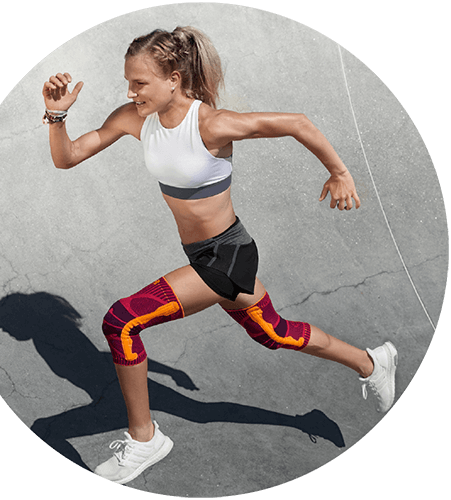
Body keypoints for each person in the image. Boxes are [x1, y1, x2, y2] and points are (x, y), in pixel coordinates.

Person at [42, 27, 398, 484]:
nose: (131, 92)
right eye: (128, 82)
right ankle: (372, 362)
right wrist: (56, 117)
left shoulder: (210, 123)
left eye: (140, 83)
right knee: (276, 333)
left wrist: (340, 171)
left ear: (173, 78)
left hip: (226, 254)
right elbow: (68, 157)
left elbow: (297, 122)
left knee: (122, 321)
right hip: (205, 255)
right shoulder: (135, 117)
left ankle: (145, 438)